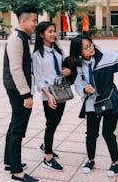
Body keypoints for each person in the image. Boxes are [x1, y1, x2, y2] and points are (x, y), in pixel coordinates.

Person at [70, 34, 118, 177]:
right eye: (86, 48)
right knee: (91, 134)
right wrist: (85, 89)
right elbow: (78, 84)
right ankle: (90, 160)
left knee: (108, 133)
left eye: (91, 44)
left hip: (110, 102)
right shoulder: (79, 66)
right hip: (92, 104)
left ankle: (115, 163)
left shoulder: (106, 57)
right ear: (79, 52)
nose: (91, 48)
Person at [32, 21, 76, 172]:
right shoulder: (37, 55)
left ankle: (45, 145)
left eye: (54, 31)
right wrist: (48, 95)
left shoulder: (58, 51)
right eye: (49, 31)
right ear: (41, 34)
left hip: (61, 91)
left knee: (56, 121)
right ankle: (48, 158)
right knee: (51, 124)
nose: (53, 34)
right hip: (49, 95)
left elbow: (66, 66)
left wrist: (69, 71)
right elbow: (38, 79)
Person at [3, 5, 39, 182]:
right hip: (18, 90)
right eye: (33, 20)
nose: (35, 24)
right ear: (23, 21)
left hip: (17, 88)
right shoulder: (16, 39)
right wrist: (26, 95)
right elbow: (16, 69)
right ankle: (16, 172)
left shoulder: (22, 37)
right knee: (18, 128)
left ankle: (10, 161)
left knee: (14, 125)